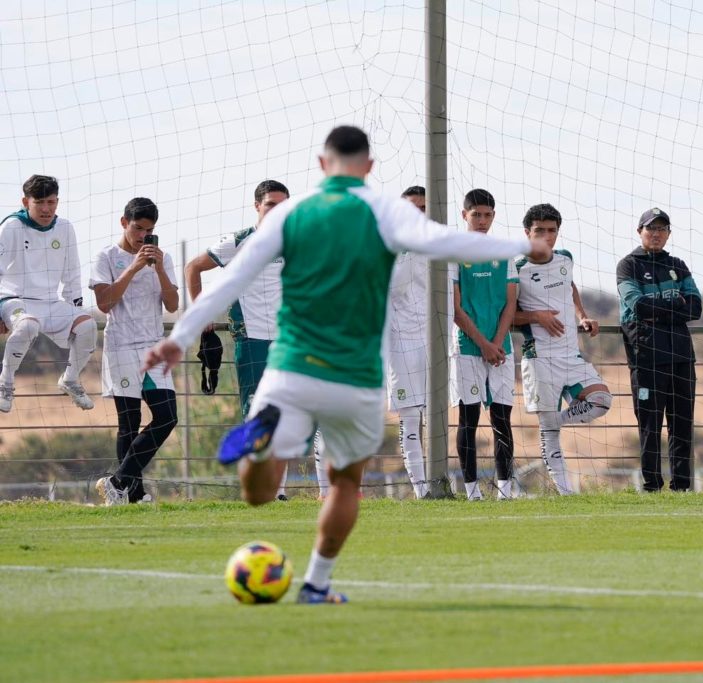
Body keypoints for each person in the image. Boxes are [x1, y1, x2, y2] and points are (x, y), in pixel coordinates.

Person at [144, 125, 549, 604]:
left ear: (322, 164)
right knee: (345, 484)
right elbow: (448, 242)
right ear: (369, 167)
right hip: (354, 374)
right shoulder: (385, 211)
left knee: (258, 493)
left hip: (292, 364)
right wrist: (521, 247)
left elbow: (233, 279)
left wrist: (181, 337)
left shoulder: (289, 213)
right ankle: (316, 583)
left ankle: (262, 442)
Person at [185, 180, 297, 501]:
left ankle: (278, 490)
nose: (277, 211)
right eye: (271, 204)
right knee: (257, 414)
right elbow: (193, 267)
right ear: (257, 206)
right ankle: (259, 486)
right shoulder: (239, 241)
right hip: (252, 340)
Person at [514, 203, 612, 495]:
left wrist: (583, 316)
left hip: (571, 354)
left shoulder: (565, 258)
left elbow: (570, 287)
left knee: (601, 400)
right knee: (550, 435)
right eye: (539, 230)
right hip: (540, 358)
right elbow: (506, 317)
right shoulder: (516, 268)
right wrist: (536, 316)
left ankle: (555, 421)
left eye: (552, 230)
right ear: (527, 233)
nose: (546, 236)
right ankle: (565, 492)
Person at [91, 198, 179, 504]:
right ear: (123, 223)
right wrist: (134, 267)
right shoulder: (106, 256)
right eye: (138, 228)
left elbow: (172, 305)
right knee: (128, 423)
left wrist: (159, 270)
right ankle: (133, 494)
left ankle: (117, 482)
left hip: (154, 348)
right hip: (121, 346)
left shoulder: (163, 259)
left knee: (167, 417)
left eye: (149, 230)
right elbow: (104, 303)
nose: (143, 236)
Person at [617, 207, 702, 492]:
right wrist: (676, 305)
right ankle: (652, 485)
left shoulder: (678, 265)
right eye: (650, 228)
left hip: (681, 356)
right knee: (649, 425)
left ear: (668, 234)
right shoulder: (627, 266)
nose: (656, 233)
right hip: (646, 358)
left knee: (682, 424)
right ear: (639, 231)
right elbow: (638, 305)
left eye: (662, 229)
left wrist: (660, 312)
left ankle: (682, 486)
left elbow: (696, 308)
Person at [0, 175, 96, 413]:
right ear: (26, 202)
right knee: (28, 325)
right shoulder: (11, 226)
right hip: (14, 300)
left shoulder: (65, 228)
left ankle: (70, 380)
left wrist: (75, 310)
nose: (46, 209)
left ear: (57, 202)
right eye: (39, 202)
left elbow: (72, 274)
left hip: (51, 302)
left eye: (51, 202)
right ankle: (5, 384)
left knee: (88, 325)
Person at [450, 189, 518, 500]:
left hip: (501, 349)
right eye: (476, 214)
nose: (482, 221)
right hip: (467, 347)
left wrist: (496, 343)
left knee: (502, 418)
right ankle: (471, 491)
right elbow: (455, 308)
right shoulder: (453, 253)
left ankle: (505, 490)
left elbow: (511, 303)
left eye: (487, 215)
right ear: (464, 215)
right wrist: (483, 344)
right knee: (469, 418)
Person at [385, 185, 430, 498]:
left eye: (423, 208)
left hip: (437, 344)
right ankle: (421, 490)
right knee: (410, 418)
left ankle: (441, 483)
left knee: (438, 417)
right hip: (401, 343)